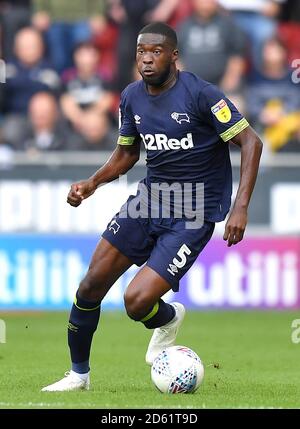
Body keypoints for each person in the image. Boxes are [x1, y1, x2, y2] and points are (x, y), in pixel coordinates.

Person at [41, 22, 262, 392]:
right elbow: (127, 152)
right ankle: (78, 375)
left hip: (194, 210)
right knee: (90, 285)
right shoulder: (130, 96)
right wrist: (92, 183)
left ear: (173, 56)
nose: (147, 58)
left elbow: (251, 142)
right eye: (141, 52)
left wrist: (240, 207)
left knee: (135, 301)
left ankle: (169, 316)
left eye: (156, 52)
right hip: (148, 201)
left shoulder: (202, 95)